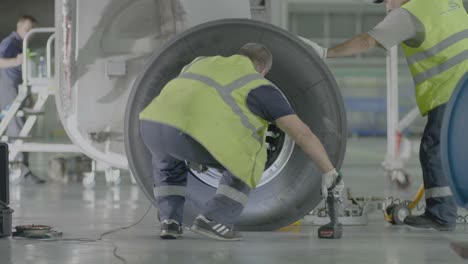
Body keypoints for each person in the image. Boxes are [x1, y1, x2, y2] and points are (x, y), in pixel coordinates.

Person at [139, 43, 344, 240]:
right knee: (252, 154)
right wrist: (328, 172)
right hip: (194, 136)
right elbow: (302, 135)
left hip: (151, 124)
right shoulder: (259, 86)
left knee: (167, 161)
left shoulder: (200, 62)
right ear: (263, 70)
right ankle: (214, 219)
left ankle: (170, 221)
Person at [304, 0, 468, 231]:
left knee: (434, 149)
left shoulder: (407, 15)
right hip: (464, 87)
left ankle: (441, 214)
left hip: (450, 91)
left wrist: (325, 53)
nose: (387, 5)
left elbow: (366, 40)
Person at [0, 15, 44, 184]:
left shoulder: (21, 44)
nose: (30, 34)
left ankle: (21, 169)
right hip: (8, 89)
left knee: (20, 129)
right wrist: (15, 61)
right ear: (20, 28)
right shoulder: (10, 42)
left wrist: (29, 95)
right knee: (16, 130)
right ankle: (22, 172)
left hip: (17, 88)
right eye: (28, 30)